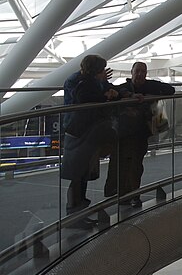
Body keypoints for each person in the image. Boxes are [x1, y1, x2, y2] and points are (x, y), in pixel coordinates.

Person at [106, 61, 174, 206]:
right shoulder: (124, 88)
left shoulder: (150, 86)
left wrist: (150, 96)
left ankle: (132, 194)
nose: (140, 74)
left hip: (139, 132)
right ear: (131, 72)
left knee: (135, 164)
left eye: (143, 72)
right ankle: (124, 194)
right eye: (138, 71)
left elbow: (170, 89)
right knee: (123, 163)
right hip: (124, 132)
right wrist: (129, 96)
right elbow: (111, 91)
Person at [61, 54, 119, 213]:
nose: (103, 74)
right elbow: (84, 98)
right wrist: (105, 95)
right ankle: (74, 210)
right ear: (95, 70)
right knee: (78, 173)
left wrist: (107, 89)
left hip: (83, 130)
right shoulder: (80, 82)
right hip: (80, 131)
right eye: (101, 70)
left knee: (82, 172)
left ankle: (78, 208)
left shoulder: (89, 81)